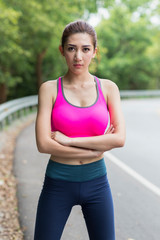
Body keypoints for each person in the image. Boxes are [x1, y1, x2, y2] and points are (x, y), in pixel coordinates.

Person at [34, 20, 125, 240]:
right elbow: (44, 144)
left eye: (85, 49)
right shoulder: (49, 89)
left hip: (97, 184)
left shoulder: (108, 88)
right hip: (58, 183)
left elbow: (120, 138)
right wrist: (95, 149)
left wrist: (68, 141)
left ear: (95, 52)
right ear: (62, 50)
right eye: (71, 48)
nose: (78, 57)